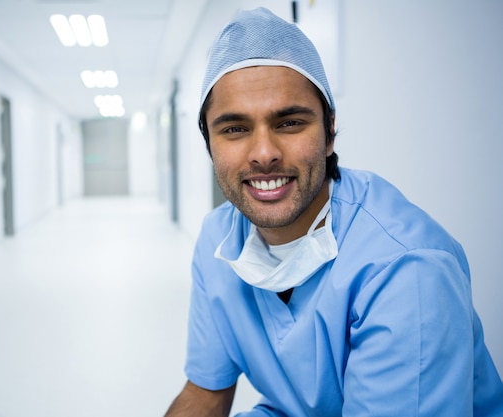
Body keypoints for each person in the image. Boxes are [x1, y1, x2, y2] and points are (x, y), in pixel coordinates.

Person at [164, 7, 503, 417]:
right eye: (235, 129)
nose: (265, 153)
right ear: (209, 145)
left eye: (289, 122)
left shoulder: (406, 269)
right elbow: (205, 393)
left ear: (328, 132)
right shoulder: (218, 242)